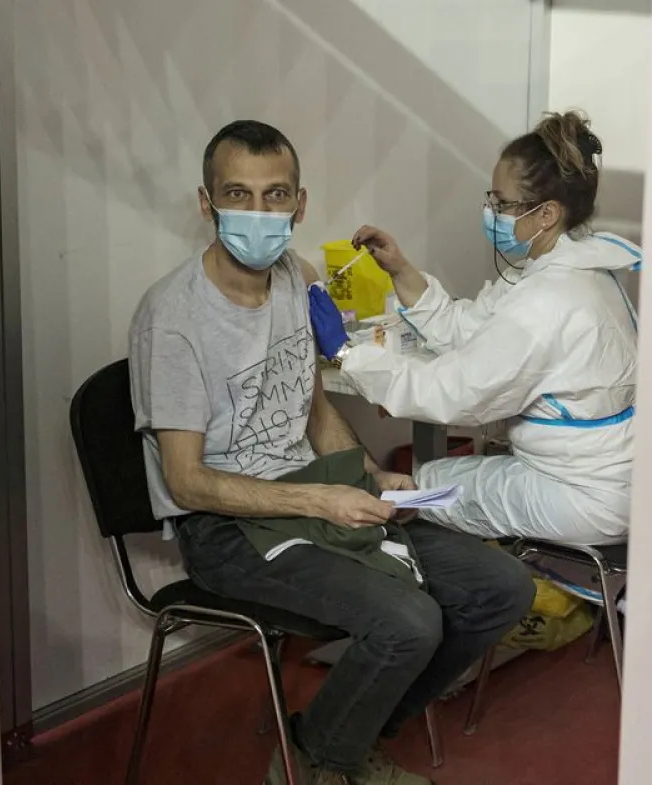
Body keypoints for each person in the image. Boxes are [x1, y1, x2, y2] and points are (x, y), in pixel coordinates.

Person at [128, 119, 534, 785]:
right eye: (237, 194)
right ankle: (323, 763)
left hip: (314, 498)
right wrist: (321, 497)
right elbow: (186, 481)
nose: (259, 212)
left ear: (300, 204)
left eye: (275, 195)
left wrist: (369, 475)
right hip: (227, 528)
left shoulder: (300, 277)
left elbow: (312, 406)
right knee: (409, 622)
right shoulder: (173, 318)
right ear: (207, 203)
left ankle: (338, 738)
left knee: (502, 587)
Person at [310, 111, 639, 546]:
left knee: (422, 490)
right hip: (604, 475)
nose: (490, 213)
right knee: (428, 480)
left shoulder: (549, 300)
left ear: (546, 214)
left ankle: (445, 583)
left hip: (582, 495)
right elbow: (471, 329)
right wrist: (401, 271)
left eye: (502, 204)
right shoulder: (573, 268)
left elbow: (452, 393)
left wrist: (346, 355)